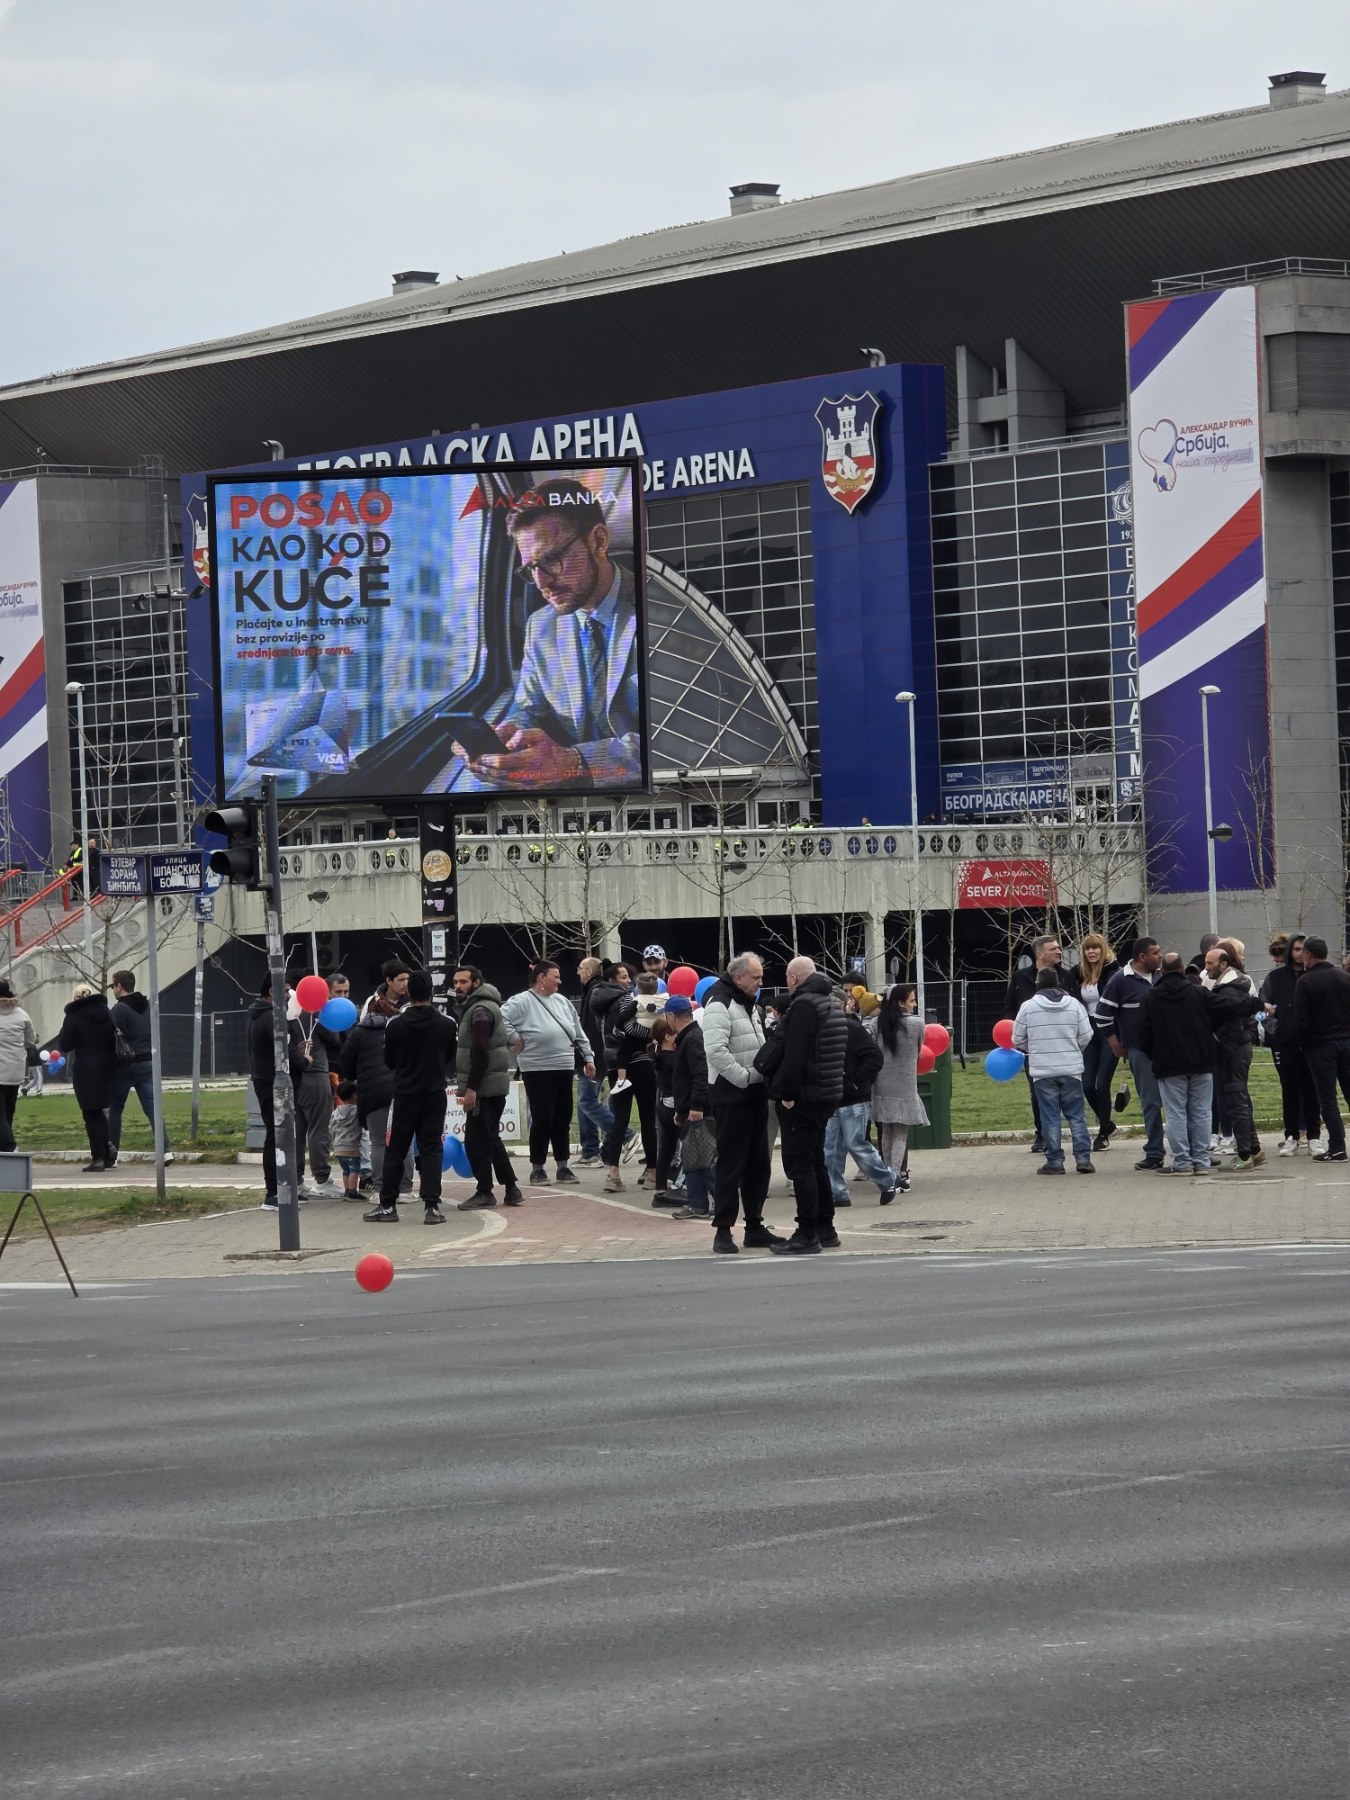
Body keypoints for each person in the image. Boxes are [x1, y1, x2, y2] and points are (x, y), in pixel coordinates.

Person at [450, 478, 641, 790]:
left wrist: (578, 763)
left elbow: (678, 738)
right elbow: (528, 708)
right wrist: (509, 736)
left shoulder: (658, 607)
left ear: (598, 541)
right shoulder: (541, 627)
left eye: (551, 559)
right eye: (531, 569)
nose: (541, 584)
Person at [758, 956, 847, 1255]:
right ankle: (825, 1227)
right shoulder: (830, 1003)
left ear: (794, 978)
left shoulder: (805, 1006)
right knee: (816, 1160)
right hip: (826, 1093)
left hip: (804, 1096)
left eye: (787, 977)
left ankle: (806, 1232)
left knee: (801, 1165)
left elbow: (795, 1055)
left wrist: (787, 1093)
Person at [702, 953, 783, 1251]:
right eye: (756, 977)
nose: (761, 982)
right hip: (731, 1096)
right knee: (730, 1165)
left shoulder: (751, 1005)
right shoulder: (719, 1004)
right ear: (738, 978)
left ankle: (755, 1225)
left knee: (758, 1165)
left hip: (755, 1095)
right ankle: (723, 1230)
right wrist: (747, 1077)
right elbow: (716, 1051)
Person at [364, 969, 458, 1224]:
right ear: (431, 992)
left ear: (410, 992)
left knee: (395, 1148)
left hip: (405, 1093)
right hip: (434, 1093)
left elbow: (389, 1060)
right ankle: (432, 1207)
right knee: (431, 1148)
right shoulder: (447, 1024)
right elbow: (449, 1056)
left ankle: (388, 1205)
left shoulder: (395, 1025)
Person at [501, 960, 592, 1184]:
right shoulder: (521, 1001)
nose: (560, 981)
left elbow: (577, 1031)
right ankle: (538, 1168)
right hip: (536, 1068)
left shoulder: (562, 1002)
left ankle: (563, 1166)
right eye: (556, 976)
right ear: (542, 977)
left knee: (562, 1117)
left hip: (564, 1066)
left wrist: (588, 1057)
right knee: (543, 1117)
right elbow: (500, 1018)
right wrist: (514, 1037)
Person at [1136, 952, 1217, 1175]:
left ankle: (1182, 1161)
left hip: (1168, 1064)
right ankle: (1201, 1160)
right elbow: (1222, 1009)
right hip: (1201, 1060)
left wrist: (1154, 1053)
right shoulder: (1199, 993)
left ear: (1161, 971)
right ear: (1183, 970)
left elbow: (1142, 1033)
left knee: (1175, 1113)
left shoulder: (1150, 997)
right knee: (1201, 1112)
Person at [1012, 967, 1095, 1174]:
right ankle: (1083, 1159)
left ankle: (1055, 1162)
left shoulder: (1028, 1007)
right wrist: (1074, 1049)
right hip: (1071, 1068)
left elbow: (1017, 1038)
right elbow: (1086, 1034)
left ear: (1037, 985)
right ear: (1058, 983)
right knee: (1076, 1115)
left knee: (1050, 1117)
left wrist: (1035, 1049)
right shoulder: (1075, 1005)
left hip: (1043, 1071)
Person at [452, 964, 522, 1210]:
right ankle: (512, 1189)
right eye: (456, 982)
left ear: (477, 983)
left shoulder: (479, 1011)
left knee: (475, 1141)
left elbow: (480, 1052)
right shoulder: (483, 1007)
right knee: (491, 1138)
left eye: (463, 982)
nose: (458, 986)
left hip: (483, 1088)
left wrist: (471, 1089)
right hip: (492, 1086)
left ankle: (485, 1191)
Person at [1095, 937, 1165, 1170]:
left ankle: (1191, 1150)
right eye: (1155, 952)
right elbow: (1102, 1014)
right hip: (1140, 1051)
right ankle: (1155, 1152)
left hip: (1169, 1049)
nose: (1160, 956)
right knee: (1152, 1102)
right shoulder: (1120, 980)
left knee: (1178, 1101)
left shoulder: (1162, 976)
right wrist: (1114, 1043)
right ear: (1142, 957)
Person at [824, 988, 894, 1208]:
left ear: (846, 1006)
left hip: (854, 1098)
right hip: (832, 1097)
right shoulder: (822, 1030)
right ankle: (838, 1192)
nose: (834, 1009)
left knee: (856, 1143)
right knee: (831, 1148)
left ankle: (886, 1181)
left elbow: (874, 1057)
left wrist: (856, 1080)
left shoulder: (853, 1029)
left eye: (838, 1005)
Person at [340, 985, 412, 1197]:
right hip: (400, 1090)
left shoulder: (358, 1033)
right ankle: (406, 1189)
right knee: (403, 1141)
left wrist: (355, 1075)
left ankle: (380, 1188)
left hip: (372, 1094)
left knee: (379, 1143)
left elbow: (346, 1061)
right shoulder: (399, 1028)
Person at [1205, 937, 1264, 1169]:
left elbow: (1234, 1027)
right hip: (1240, 1047)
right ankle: (1255, 1150)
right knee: (1239, 1099)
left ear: (1224, 963)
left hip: (1234, 1050)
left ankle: (1243, 1156)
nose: (1206, 967)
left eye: (1210, 963)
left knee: (1236, 1101)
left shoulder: (1228, 991)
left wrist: (1222, 1050)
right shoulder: (1235, 984)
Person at [1261, 933, 1322, 1156]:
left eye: (1303, 949)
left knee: (1313, 1091)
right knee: (1290, 1092)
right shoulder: (1275, 978)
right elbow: (1262, 1008)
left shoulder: (1316, 975)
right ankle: (1291, 1136)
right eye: (1296, 949)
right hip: (1286, 1045)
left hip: (1313, 1044)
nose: (1300, 954)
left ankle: (1314, 1136)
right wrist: (1277, 1030)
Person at [1291, 936, 1350, 1163]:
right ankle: (1337, 1147)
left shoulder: (1306, 982)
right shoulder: (1344, 977)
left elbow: (1301, 1020)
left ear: (1308, 955)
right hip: (1346, 1041)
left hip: (1320, 1046)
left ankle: (1337, 1147)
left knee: (1328, 1099)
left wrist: (1303, 1044)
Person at [247, 975, 303, 1209]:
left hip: (265, 1080)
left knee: (280, 1134)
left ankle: (282, 1187)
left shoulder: (258, 1016)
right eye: (287, 991)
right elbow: (284, 1053)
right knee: (277, 1135)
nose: (290, 996)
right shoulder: (272, 1018)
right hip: (273, 1084)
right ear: (273, 991)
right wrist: (304, 1059)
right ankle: (274, 1192)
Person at [601, 975, 662, 1188]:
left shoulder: (622, 1002)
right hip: (645, 1066)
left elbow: (623, 1028)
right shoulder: (658, 1005)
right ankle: (653, 1172)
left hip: (621, 1066)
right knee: (648, 1121)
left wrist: (622, 1029)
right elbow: (654, 1032)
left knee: (620, 1120)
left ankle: (614, 1172)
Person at [106, 970, 171, 1167]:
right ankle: (165, 1150)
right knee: (152, 1109)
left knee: (115, 1109)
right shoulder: (147, 1006)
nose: (113, 990)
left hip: (126, 1064)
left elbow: (114, 1036)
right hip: (147, 1062)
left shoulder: (118, 1010)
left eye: (113, 986)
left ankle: (112, 1155)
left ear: (119, 986)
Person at [870, 983, 929, 1193]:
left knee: (886, 1130)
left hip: (881, 1082)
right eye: (912, 1000)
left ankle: (887, 1172)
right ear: (901, 1002)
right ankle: (895, 1175)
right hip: (905, 1082)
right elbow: (919, 1048)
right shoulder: (916, 1024)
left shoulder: (877, 1023)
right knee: (900, 1133)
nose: (914, 1005)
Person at [1005, 935, 1062, 1152]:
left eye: (1059, 948)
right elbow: (1010, 1006)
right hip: (1031, 1047)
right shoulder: (1020, 977)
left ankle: (1060, 1134)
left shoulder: (1066, 976)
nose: (1059, 951)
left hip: (1061, 1044)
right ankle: (1042, 1134)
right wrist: (1014, 1032)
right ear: (1040, 954)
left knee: (1065, 1091)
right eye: (1053, 948)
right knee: (1037, 1091)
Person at [1066, 933, 1120, 1152]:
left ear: (1103, 949)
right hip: (1088, 1031)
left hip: (1109, 1031)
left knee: (1102, 1084)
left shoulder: (1114, 972)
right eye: (1087, 949)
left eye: (1095, 948)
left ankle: (1102, 1134)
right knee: (1087, 1084)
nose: (1091, 952)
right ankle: (1108, 1124)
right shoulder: (1078, 975)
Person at [666, 995, 717, 1222]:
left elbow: (700, 1074)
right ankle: (698, 1203)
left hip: (698, 1110)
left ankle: (718, 1200)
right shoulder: (690, 1037)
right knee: (692, 1159)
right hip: (689, 1108)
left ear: (671, 1016)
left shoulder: (693, 1039)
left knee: (703, 1158)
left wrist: (696, 1106)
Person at [57, 980, 117, 1173]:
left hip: (85, 1068)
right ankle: (107, 1148)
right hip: (107, 1066)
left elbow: (65, 1044)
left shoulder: (74, 1016)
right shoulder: (106, 1013)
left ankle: (98, 1156)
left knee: (90, 1113)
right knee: (100, 1110)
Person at [291, 1009, 340, 1198]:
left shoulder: (289, 1014)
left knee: (298, 1131)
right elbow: (334, 1039)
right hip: (315, 1073)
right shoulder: (316, 1015)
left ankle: (296, 1179)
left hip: (296, 1077)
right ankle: (322, 1179)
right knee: (318, 1129)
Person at [574, 956, 619, 1165]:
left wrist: (586, 1056)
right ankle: (591, 1150)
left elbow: (590, 1029)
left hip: (593, 1057)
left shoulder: (594, 993)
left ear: (590, 972)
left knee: (587, 1101)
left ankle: (623, 1135)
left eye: (581, 969)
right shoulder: (600, 991)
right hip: (600, 1055)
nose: (578, 972)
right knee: (586, 1101)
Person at [0, 976, 37, 1154]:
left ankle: (9, 1146)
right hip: (15, 1071)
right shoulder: (22, 1014)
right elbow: (30, 1040)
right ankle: (5, 1149)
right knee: (8, 1111)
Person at [648, 1014, 683, 1206]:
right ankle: (682, 1186)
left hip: (662, 1103)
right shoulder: (673, 1059)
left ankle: (660, 1190)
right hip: (673, 1105)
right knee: (688, 1147)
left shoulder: (659, 1055)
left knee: (666, 1149)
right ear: (668, 1036)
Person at [330, 1079, 364, 1199]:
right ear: (354, 1095)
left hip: (338, 1147)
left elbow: (331, 1127)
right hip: (351, 1146)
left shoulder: (336, 1111)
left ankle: (347, 1191)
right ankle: (353, 1192)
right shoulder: (356, 1110)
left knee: (345, 1170)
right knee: (355, 1168)